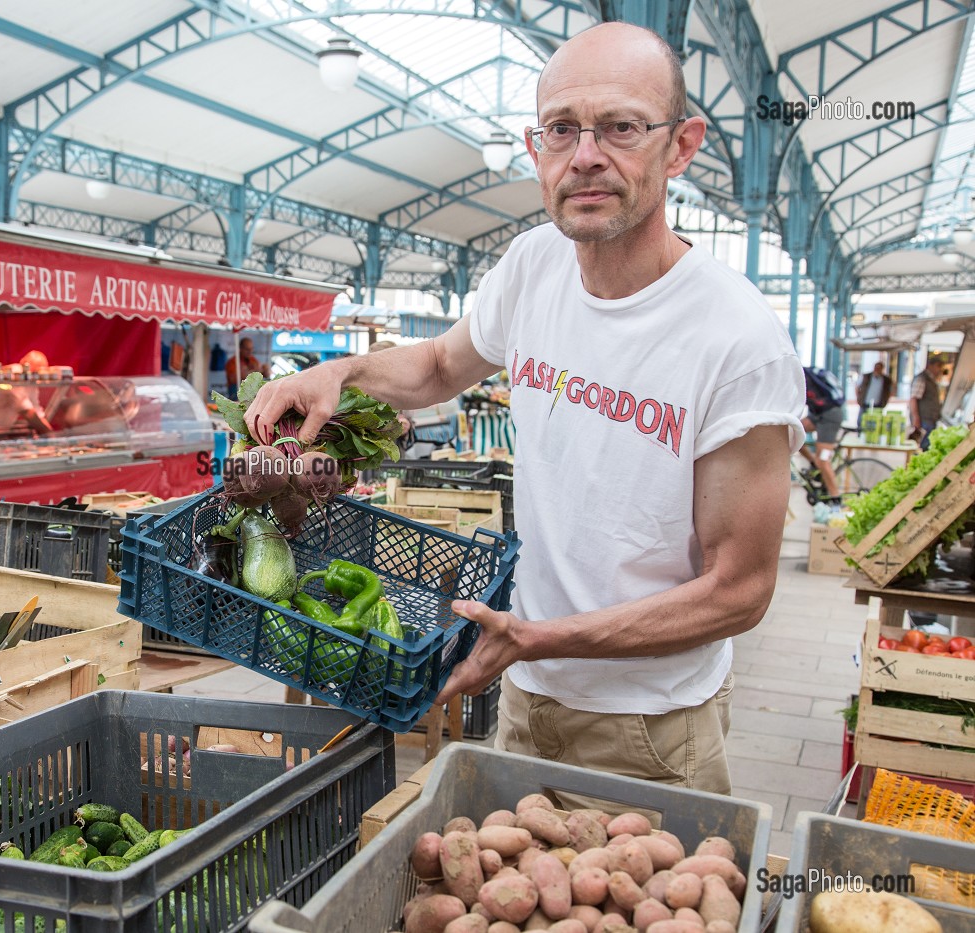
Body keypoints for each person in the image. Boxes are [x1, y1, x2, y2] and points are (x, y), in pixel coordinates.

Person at [244, 22, 803, 801]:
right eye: (562, 129)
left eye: (622, 127)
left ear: (681, 147)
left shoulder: (737, 340)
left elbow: (740, 588)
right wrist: (343, 370)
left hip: (647, 725)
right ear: (536, 147)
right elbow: (441, 364)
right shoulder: (533, 265)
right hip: (523, 694)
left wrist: (539, 637)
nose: (586, 156)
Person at [797, 366, 845, 499]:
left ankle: (836, 498)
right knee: (793, 432)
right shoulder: (801, 374)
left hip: (830, 415)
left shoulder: (800, 376)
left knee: (823, 459)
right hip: (818, 414)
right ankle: (813, 462)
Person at [909, 356, 944, 450]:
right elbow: (913, 399)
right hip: (924, 419)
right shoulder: (922, 378)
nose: (940, 369)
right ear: (930, 366)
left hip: (930, 419)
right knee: (922, 446)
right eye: (938, 366)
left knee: (927, 445)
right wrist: (916, 418)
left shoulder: (931, 379)